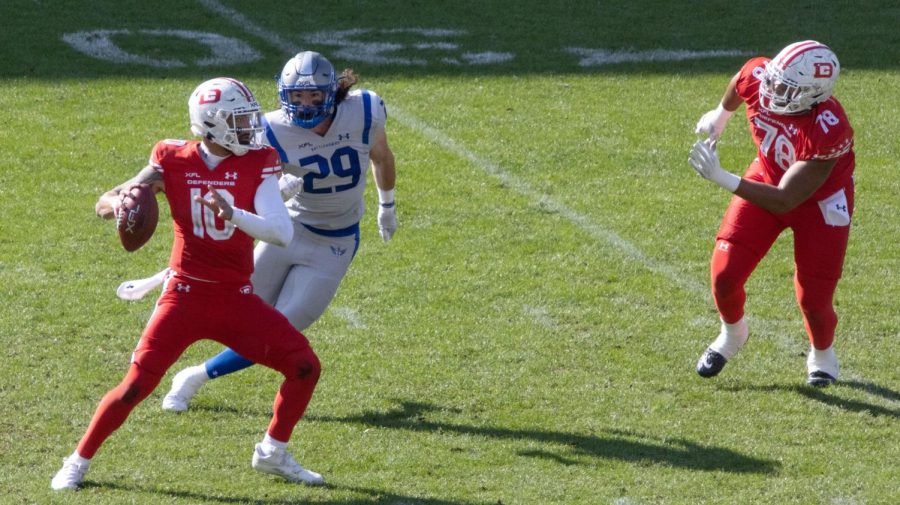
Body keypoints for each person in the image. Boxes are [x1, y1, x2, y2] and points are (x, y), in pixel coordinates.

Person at [51, 77, 325, 491]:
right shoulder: (171, 157)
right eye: (239, 119)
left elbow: (280, 232)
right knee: (135, 386)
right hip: (184, 295)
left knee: (305, 367)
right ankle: (77, 460)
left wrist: (234, 214)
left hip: (236, 298)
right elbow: (109, 199)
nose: (250, 127)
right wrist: (120, 204)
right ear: (212, 124)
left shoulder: (260, 160)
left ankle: (272, 452)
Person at [160, 51, 397, 412]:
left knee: (283, 329)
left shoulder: (364, 110)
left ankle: (195, 376)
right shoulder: (269, 128)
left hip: (334, 242)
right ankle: (154, 352)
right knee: (233, 310)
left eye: (314, 95)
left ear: (332, 92)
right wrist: (274, 192)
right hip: (287, 230)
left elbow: (381, 156)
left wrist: (387, 205)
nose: (305, 104)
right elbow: (240, 177)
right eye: (297, 96)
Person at [689, 40, 855, 387]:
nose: (772, 88)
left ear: (812, 94)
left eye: (786, 86)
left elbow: (785, 199)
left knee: (814, 298)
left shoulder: (829, 127)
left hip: (817, 204)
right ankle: (733, 334)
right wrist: (721, 115)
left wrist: (721, 177)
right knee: (724, 274)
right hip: (766, 175)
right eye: (775, 78)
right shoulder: (762, 77)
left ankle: (822, 354)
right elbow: (742, 80)